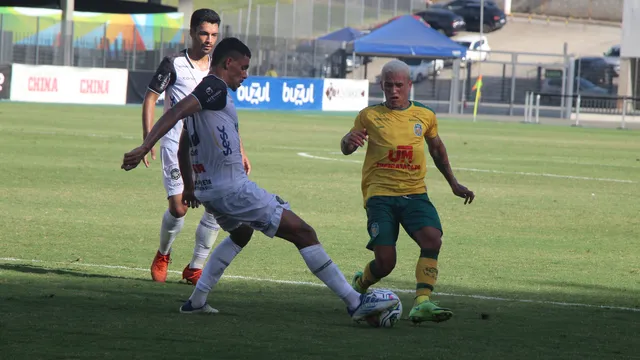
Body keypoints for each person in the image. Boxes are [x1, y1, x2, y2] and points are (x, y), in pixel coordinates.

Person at [121, 37, 399, 321]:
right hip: (232, 190)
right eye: (243, 68)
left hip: (209, 191)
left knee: (241, 233)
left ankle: (196, 301)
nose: (246, 74)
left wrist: (191, 186)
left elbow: (183, 142)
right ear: (228, 63)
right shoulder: (213, 86)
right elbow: (176, 113)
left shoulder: (205, 92)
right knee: (303, 233)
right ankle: (354, 302)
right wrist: (145, 146)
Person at [340, 59, 475, 324]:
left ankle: (422, 302)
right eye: (388, 85)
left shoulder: (425, 116)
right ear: (381, 85)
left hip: (414, 193)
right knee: (386, 262)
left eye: (399, 85)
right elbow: (347, 146)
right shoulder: (369, 115)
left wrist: (454, 183)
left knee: (432, 239)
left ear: (409, 85)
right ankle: (361, 282)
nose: (393, 90)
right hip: (380, 195)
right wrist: (348, 141)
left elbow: (437, 149)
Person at [142, 8, 251, 285]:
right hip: (175, 145)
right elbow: (150, 99)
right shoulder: (174, 64)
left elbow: (227, 113)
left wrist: (241, 150)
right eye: (203, 33)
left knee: (216, 204)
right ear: (191, 32)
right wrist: (147, 140)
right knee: (179, 208)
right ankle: (163, 253)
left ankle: (195, 266)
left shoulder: (220, 67)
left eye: (214, 34)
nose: (209, 39)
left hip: (210, 148)